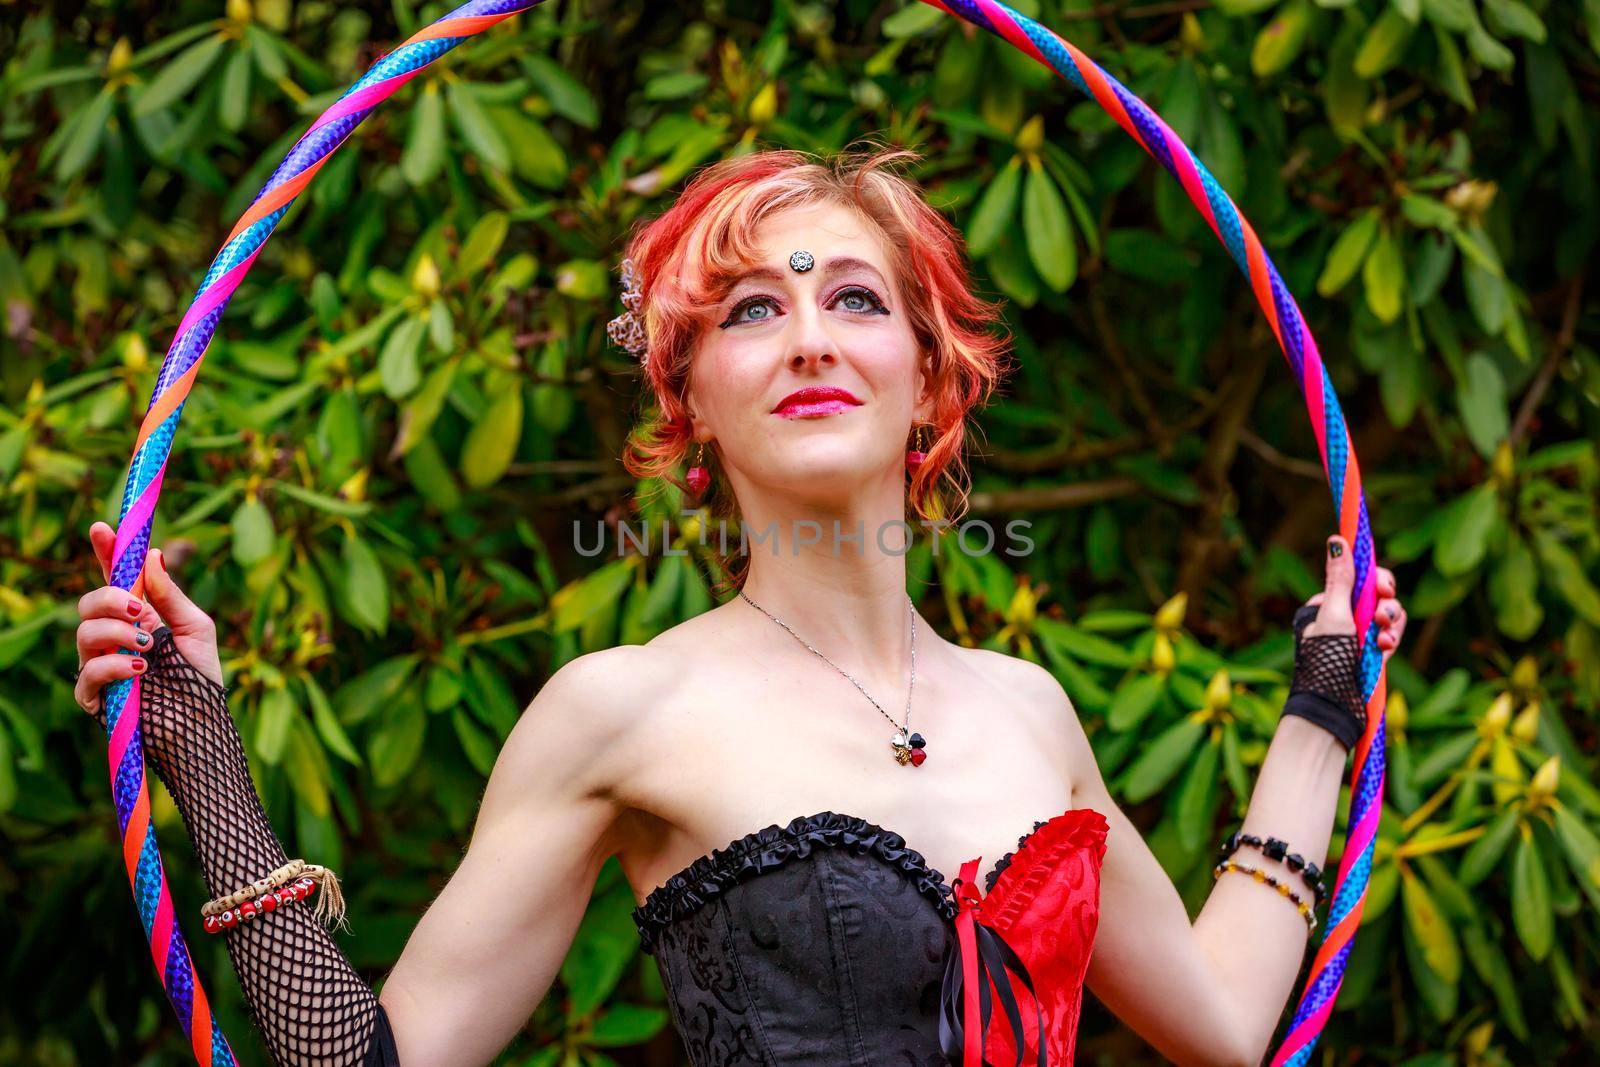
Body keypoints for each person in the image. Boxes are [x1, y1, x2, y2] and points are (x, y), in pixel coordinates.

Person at [74, 147, 1407, 1067]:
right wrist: (198, 746)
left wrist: (1324, 701)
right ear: (692, 401)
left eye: (856, 299)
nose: (813, 337)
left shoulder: (1030, 712)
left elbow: (1228, 1030)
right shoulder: (626, 708)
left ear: (932, 382)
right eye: (754, 311)